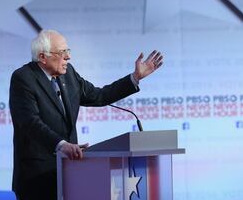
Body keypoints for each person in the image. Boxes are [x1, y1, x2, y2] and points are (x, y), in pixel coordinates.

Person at [9, 29, 163, 200]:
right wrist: (61, 145)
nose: (68, 57)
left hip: (69, 172)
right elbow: (30, 122)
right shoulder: (23, 78)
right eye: (62, 53)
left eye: (68, 51)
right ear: (42, 57)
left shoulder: (68, 74)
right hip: (37, 178)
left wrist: (135, 77)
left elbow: (99, 96)